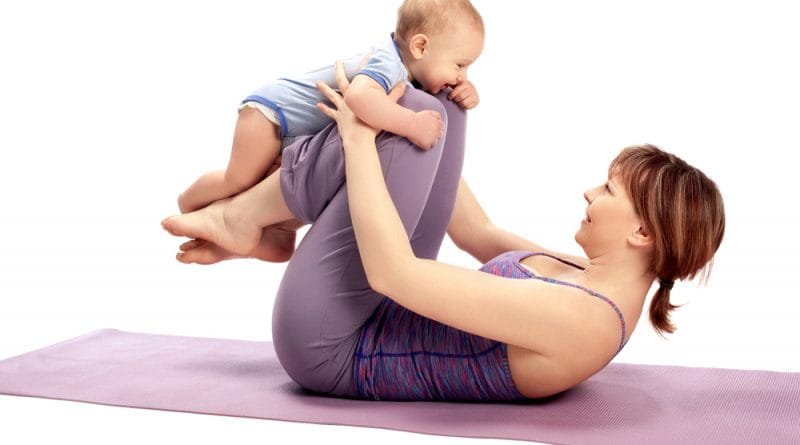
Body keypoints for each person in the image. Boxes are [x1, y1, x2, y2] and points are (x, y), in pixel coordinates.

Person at [161, 64, 725, 400]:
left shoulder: (584, 320)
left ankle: (243, 215)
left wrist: (362, 139)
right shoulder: (584, 276)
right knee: (433, 113)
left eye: (608, 190)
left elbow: (393, 273)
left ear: (643, 232)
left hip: (331, 347)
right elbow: (475, 231)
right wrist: (441, 107)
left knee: (393, 130)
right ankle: (264, 223)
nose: (589, 193)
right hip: (371, 310)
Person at [174, 0, 485, 267]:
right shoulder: (389, 62)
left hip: (300, 138)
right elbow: (360, 99)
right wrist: (412, 124)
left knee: (304, 182)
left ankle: (279, 235)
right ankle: (191, 205)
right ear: (420, 47)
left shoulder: (413, 74)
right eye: (460, 65)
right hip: (273, 114)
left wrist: (466, 91)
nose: (461, 76)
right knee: (239, 180)